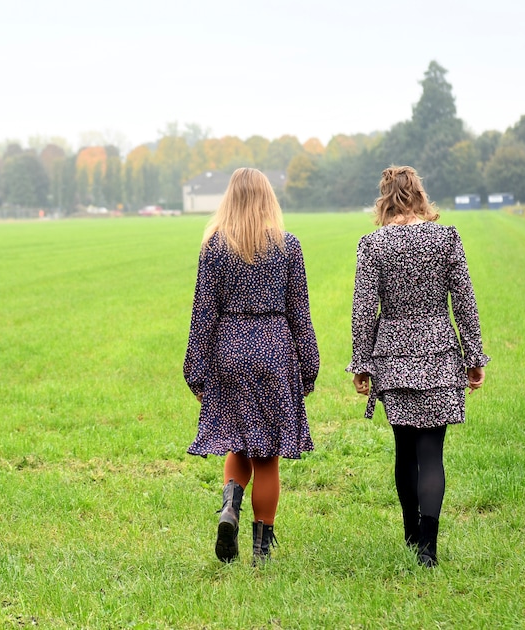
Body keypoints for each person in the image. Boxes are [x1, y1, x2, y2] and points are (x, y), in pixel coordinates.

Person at [347, 165, 489, 568]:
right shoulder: (446, 238)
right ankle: (428, 545)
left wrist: (361, 362)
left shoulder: (372, 244)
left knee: (404, 449)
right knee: (432, 452)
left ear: (385, 198)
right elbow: (464, 301)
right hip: (440, 353)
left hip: (391, 356)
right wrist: (474, 356)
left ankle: (412, 536)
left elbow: (362, 310)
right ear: (419, 196)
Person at [184, 168, 319, 565]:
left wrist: (196, 370)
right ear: (268, 199)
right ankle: (262, 551)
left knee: (235, 439)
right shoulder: (288, 247)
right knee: (267, 456)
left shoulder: (214, 248)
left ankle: (230, 505)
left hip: (229, 352)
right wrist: (308, 366)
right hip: (275, 352)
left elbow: (203, 313)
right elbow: (300, 313)